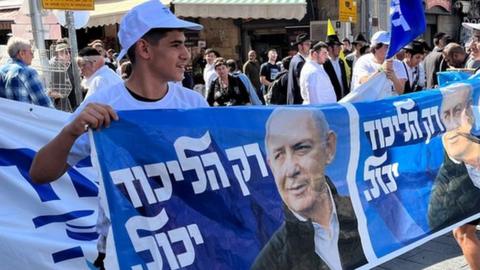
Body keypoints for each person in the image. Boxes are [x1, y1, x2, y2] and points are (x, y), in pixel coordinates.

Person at [28, 1, 206, 269]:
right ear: (144, 48)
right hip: (125, 253)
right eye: (175, 44)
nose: (186, 54)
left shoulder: (194, 104)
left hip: (187, 248)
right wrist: (71, 131)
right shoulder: (103, 106)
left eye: (184, 44)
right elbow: (40, 173)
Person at [252, 108, 367, 270]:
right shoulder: (269, 263)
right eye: (279, 155)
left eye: (301, 148)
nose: (291, 169)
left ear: (329, 147)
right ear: (271, 167)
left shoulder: (367, 212)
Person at [427, 84, 480, 270]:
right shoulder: (454, 136)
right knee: (462, 231)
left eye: (458, 109)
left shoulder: (460, 135)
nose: (452, 118)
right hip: (467, 197)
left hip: (471, 197)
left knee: (464, 232)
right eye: (447, 114)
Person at [0, 37, 53, 108]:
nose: (33, 56)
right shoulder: (28, 72)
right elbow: (45, 105)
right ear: (22, 53)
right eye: (31, 52)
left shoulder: (1, 70)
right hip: (23, 118)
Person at [351, 30, 407, 96]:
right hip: (369, 104)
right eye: (386, 46)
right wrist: (380, 70)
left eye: (391, 46)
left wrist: (394, 78)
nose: (390, 49)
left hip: (390, 104)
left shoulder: (398, 64)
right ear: (376, 48)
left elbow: (400, 91)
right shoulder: (362, 61)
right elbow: (364, 82)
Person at [287, 33, 312, 104]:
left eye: (310, 44)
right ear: (300, 46)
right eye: (307, 44)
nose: (310, 47)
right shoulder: (299, 62)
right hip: (299, 102)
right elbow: (303, 85)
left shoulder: (296, 59)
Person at [324, 35, 350, 100]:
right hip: (331, 101)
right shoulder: (324, 64)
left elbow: (344, 83)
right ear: (330, 48)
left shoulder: (341, 62)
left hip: (343, 100)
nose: (340, 48)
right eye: (337, 46)